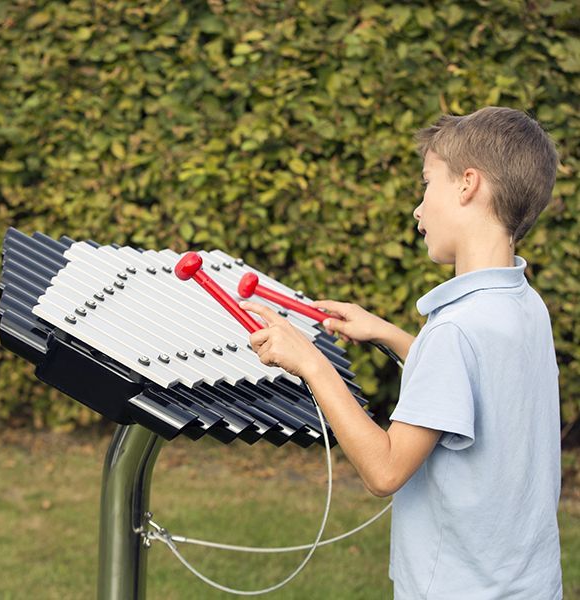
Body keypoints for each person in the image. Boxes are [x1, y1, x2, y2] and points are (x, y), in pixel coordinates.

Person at [239, 106, 562, 599]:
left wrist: (310, 362)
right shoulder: (521, 304)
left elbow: (385, 470)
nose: (418, 208)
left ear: (467, 185)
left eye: (427, 183)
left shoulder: (455, 331)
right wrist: (389, 333)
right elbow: (474, 387)